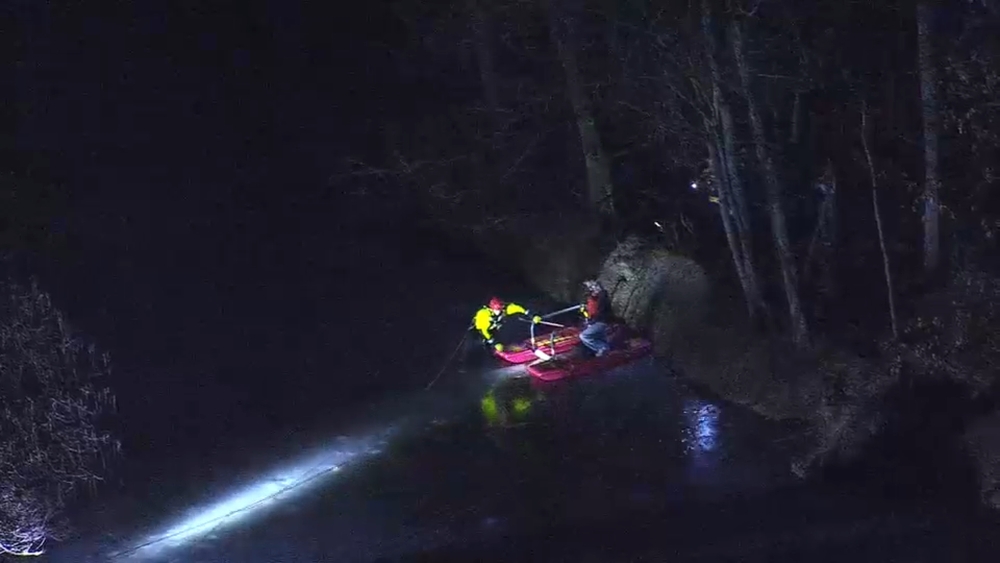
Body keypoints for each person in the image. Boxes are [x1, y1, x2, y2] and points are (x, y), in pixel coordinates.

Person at [579, 279, 612, 357]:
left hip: (602, 322)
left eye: (592, 287)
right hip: (595, 322)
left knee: (584, 336)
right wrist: (585, 312)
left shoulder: (602, 297)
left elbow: (600, 310)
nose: (591, 290)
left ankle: (603, 348)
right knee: (597, 337)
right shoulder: (591, 299)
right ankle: (602, 353)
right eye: (589, 288)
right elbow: (588, 312)